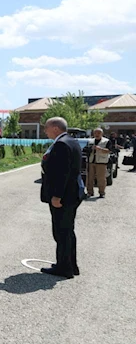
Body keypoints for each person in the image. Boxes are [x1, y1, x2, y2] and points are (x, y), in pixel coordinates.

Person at [40, 117, 82, 278]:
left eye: (46, 128)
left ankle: (64, 268)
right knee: (68, 231)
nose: (45, 131)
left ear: (55, 128)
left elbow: (62, 174)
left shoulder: (61, 144)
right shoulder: (71, 141)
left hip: (64, 197)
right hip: (72, 194)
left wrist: (57, 196)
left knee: (62, 232)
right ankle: (70, 265)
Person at [85, 127, 111, 198]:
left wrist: (101, 149)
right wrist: (90, 149)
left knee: (101, 178)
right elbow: (85, 150)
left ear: (102, 133)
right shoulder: (90, 141)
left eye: (98, 133)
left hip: (101, 162)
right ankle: (89, 192)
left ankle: (102, 192)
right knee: (89, 178)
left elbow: (109, 150)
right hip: (91, 162)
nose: (97, 134)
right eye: (95, 133)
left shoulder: (106, 141)